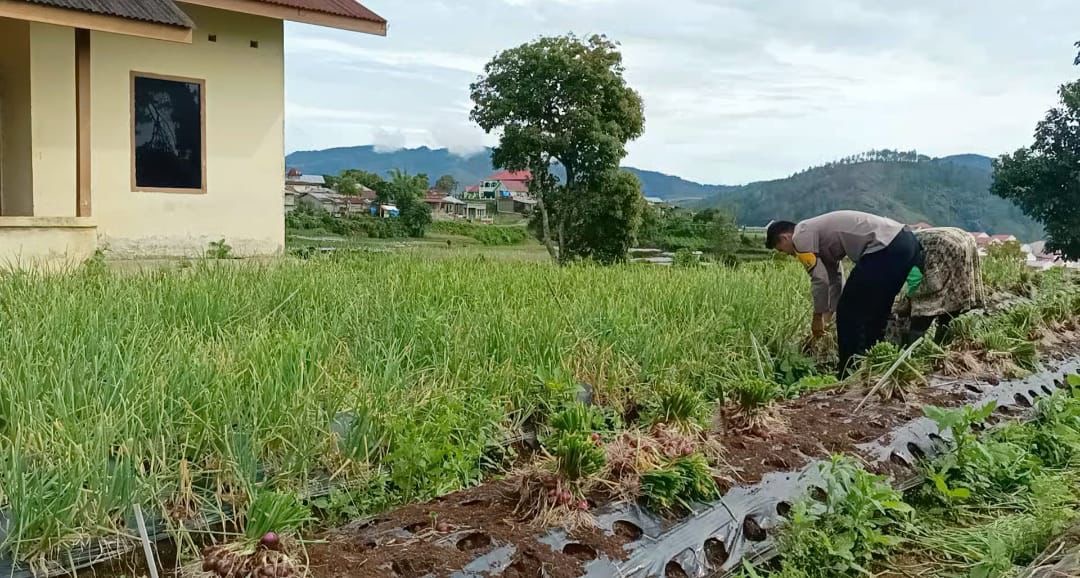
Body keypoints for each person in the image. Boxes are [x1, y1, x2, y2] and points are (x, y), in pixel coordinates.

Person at [766, 210, 923, 377]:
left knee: (849, 314)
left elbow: (819, 279)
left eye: (782, 250)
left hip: (884, 247)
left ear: (784, 238)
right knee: (876, 311)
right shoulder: (817, 235)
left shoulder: (800, 236)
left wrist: (817, 318)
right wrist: (829, 315)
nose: (789, 255)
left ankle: (847, 373)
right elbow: (834, 279)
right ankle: (874, 367)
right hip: (906, 243)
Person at [894, 226, 986, 345]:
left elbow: (915, 277)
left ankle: (913, 349)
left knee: (924, 308)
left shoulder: (901, 250)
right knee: (952, 301)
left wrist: (908, 297)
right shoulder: (904, 241)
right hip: (964, 240)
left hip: (942, 247)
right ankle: (942, 347)